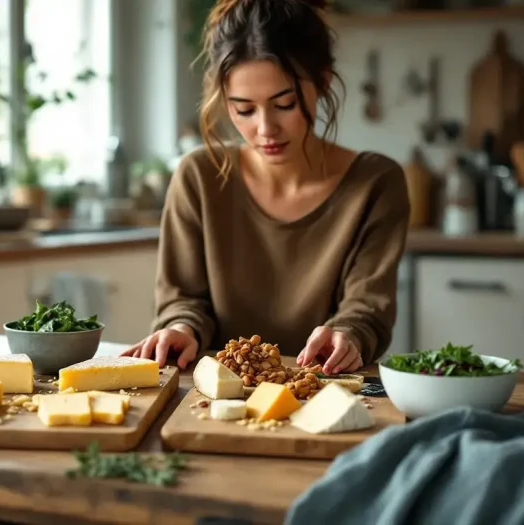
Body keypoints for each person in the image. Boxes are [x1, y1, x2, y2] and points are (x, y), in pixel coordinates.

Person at [121, 0, 410, 375]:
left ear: (322, 82)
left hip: (325, 387)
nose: (266, 128)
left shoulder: (376, 183)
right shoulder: (198, 177)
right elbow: (183, 300)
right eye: (243, 110)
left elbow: (367, 307)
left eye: (285, 104)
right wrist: (180, 328)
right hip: (213, 397)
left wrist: (348, 335)